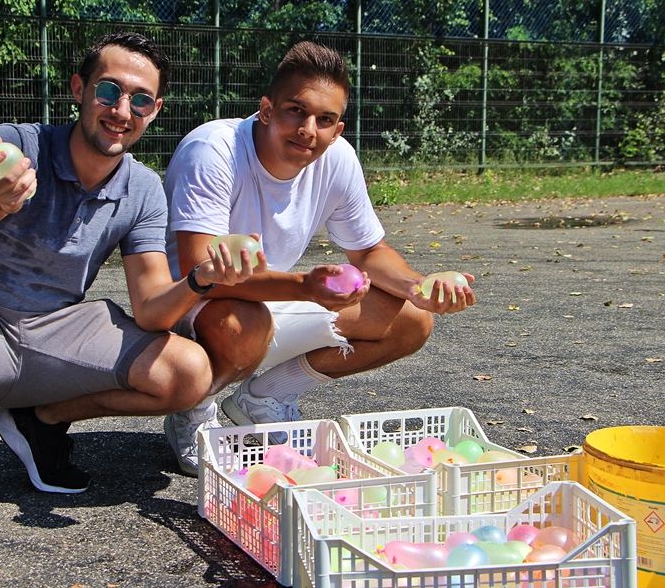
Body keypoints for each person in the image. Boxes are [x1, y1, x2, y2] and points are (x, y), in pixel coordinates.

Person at [0, 32, 262, 572]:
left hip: (55, 336)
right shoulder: (14, 146)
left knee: (188, 374)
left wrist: (201, 279)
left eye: (140, 100)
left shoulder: (143, 189)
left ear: (155, 110)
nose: (122, 111)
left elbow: (151, 309)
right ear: (78, 89)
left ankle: (40, 421)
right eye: (109, 91)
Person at [162, 41, 476, 475]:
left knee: (410, 320)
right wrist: (305, 287)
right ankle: (194, 409)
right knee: (241, 323)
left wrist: (418, 288)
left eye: (324, 120)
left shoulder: (337, 159)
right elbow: (199, 272)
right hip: (187, 309)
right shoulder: (213, 149)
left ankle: (264, 398)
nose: (308, 129)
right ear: (267, 110)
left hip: (267, 297)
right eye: (296, 111)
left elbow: (368, 251)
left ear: (337, 129)